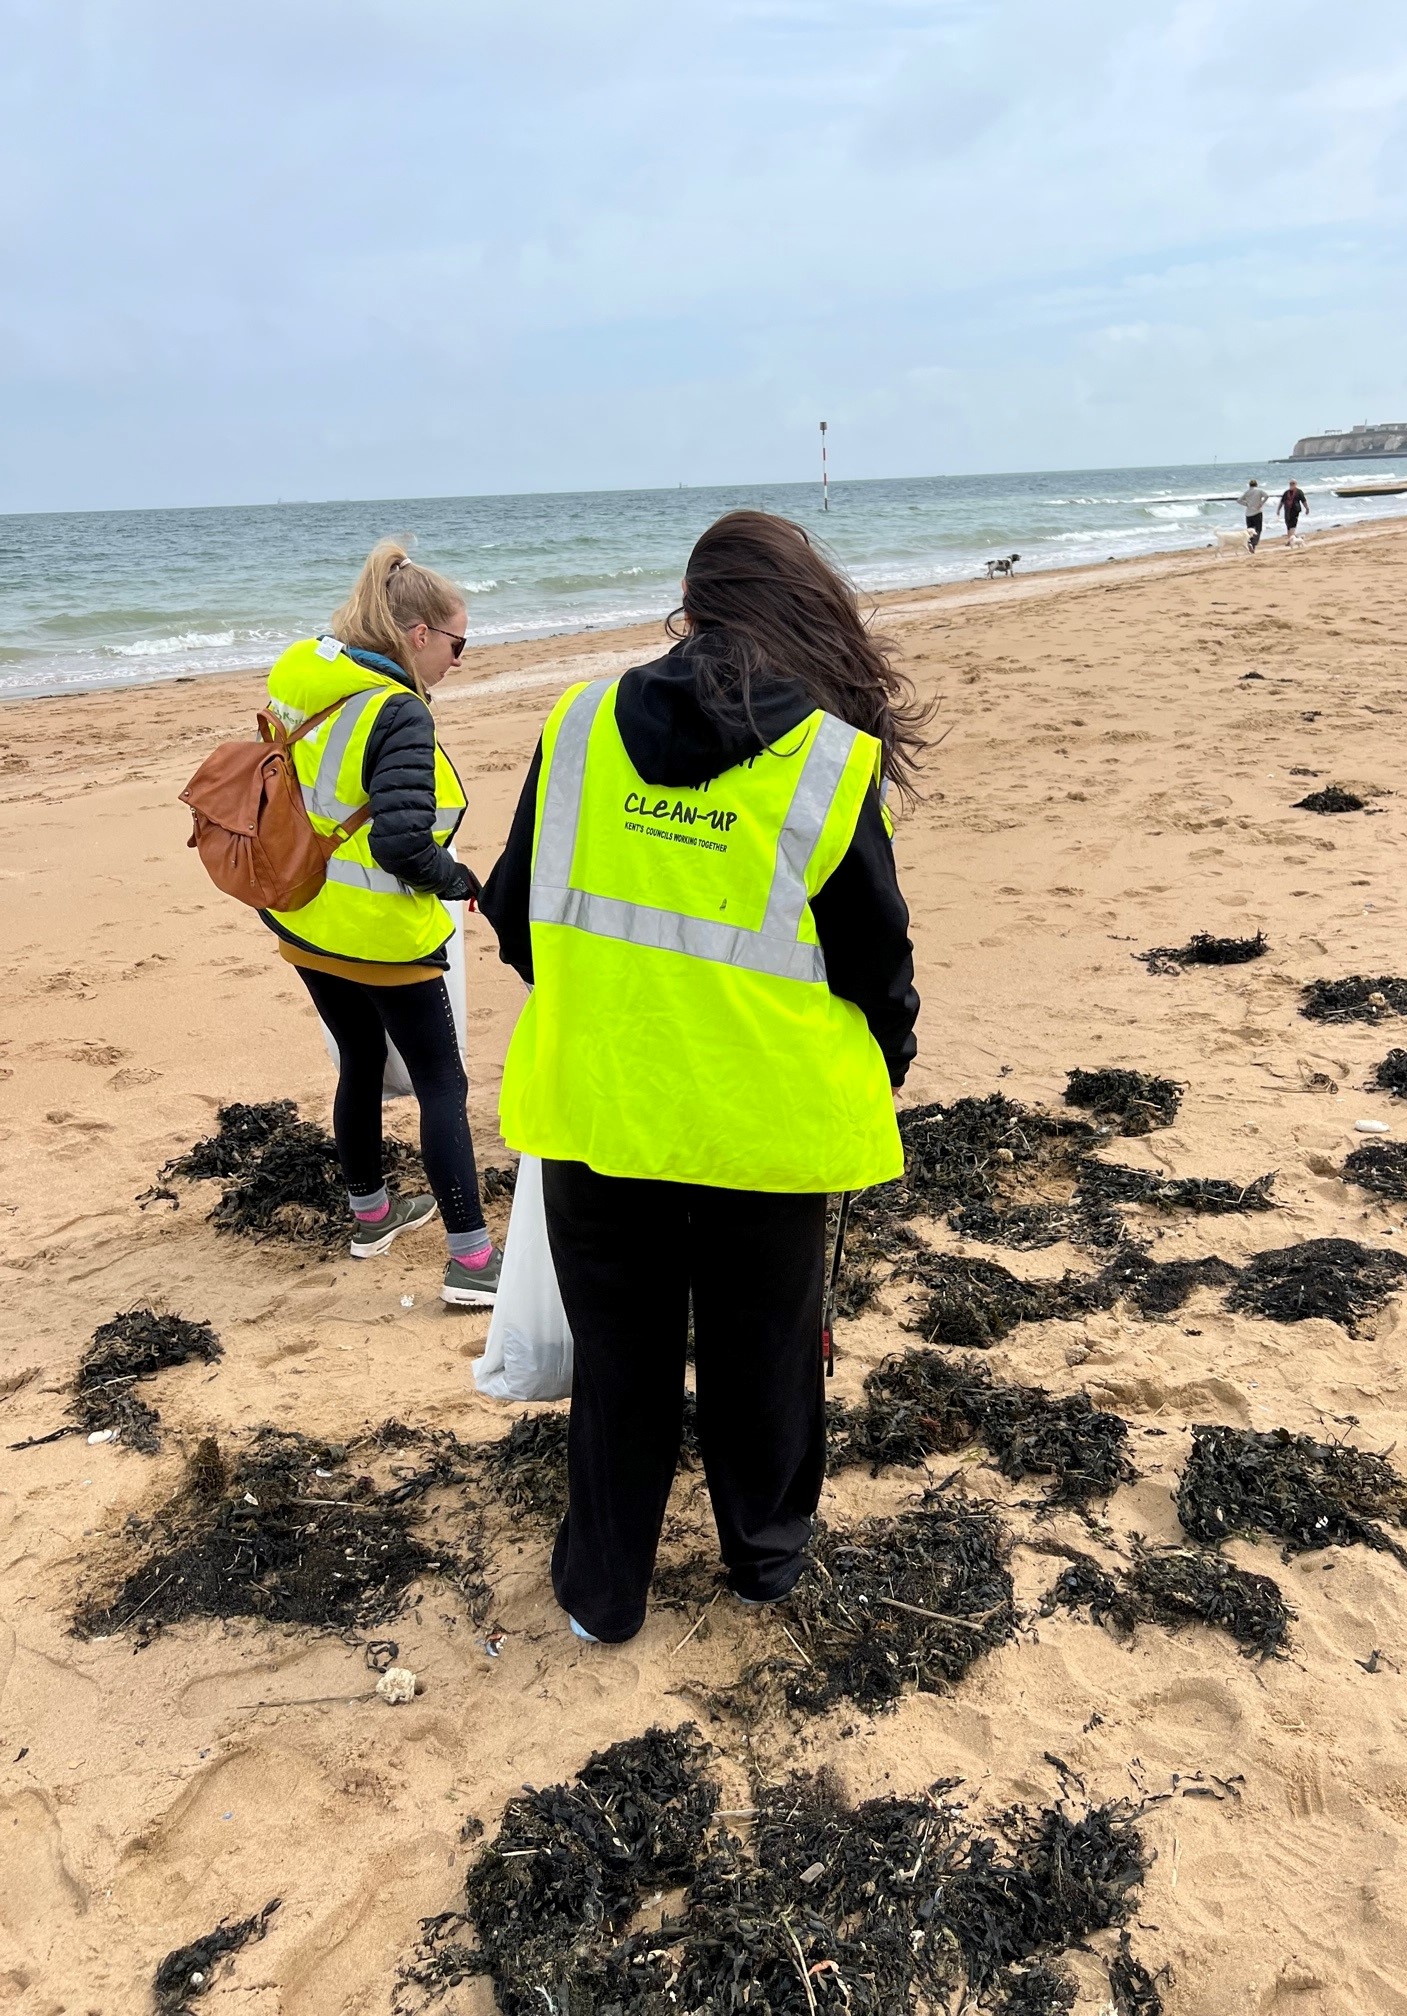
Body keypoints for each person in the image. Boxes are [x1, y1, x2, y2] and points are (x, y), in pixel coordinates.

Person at [481, 510, 926, 1643]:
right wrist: (890, 1056)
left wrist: (612, 1004)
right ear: (802, 610)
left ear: (694, 605)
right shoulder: (826, 757)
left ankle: (602, 1597)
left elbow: (515, 904)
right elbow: (877, 960)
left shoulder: (578, 722)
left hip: (603, 1105)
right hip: (760, 1126)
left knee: (620, 1362)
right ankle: (764, 1562)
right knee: (764, 1355)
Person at [261, 541, 501, 1306]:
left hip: (302, 913)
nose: (462, 660)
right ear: (420, 634)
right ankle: (471, 1261)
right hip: (379, 933)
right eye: (460, 643)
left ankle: (371, 1213)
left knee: (359, 1056)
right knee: (441, 1082)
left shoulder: (300, 667)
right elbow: (402, 843)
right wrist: (460, 878)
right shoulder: (398, 711)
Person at [1278, 479, 1309, 544]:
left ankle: (1291, 541)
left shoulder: (1299, 492)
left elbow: (1303, 500)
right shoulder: (1286, 492)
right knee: (1288, 525)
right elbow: (1282, 502)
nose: (1291, 485)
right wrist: (1278, 510)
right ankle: (1292, 539)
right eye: (1290, 483)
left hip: (1295, 510)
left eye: (1293, 483)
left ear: (1295, 484)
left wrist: (1307, 508)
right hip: (1287, 511)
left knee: (1293, 525)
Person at [1239, 478, 1268, 552]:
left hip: (1248, 514)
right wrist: (1261, 503)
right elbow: (1266, 496)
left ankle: (1249, 542)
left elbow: (1239, 500)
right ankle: (1253, 544)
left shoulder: (1247, 492)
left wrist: (1246, 504)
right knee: (1258, 530)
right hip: (1257, 512)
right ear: (1256, 484)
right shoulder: (1259, 490)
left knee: (1250, 530)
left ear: (1249, 485)